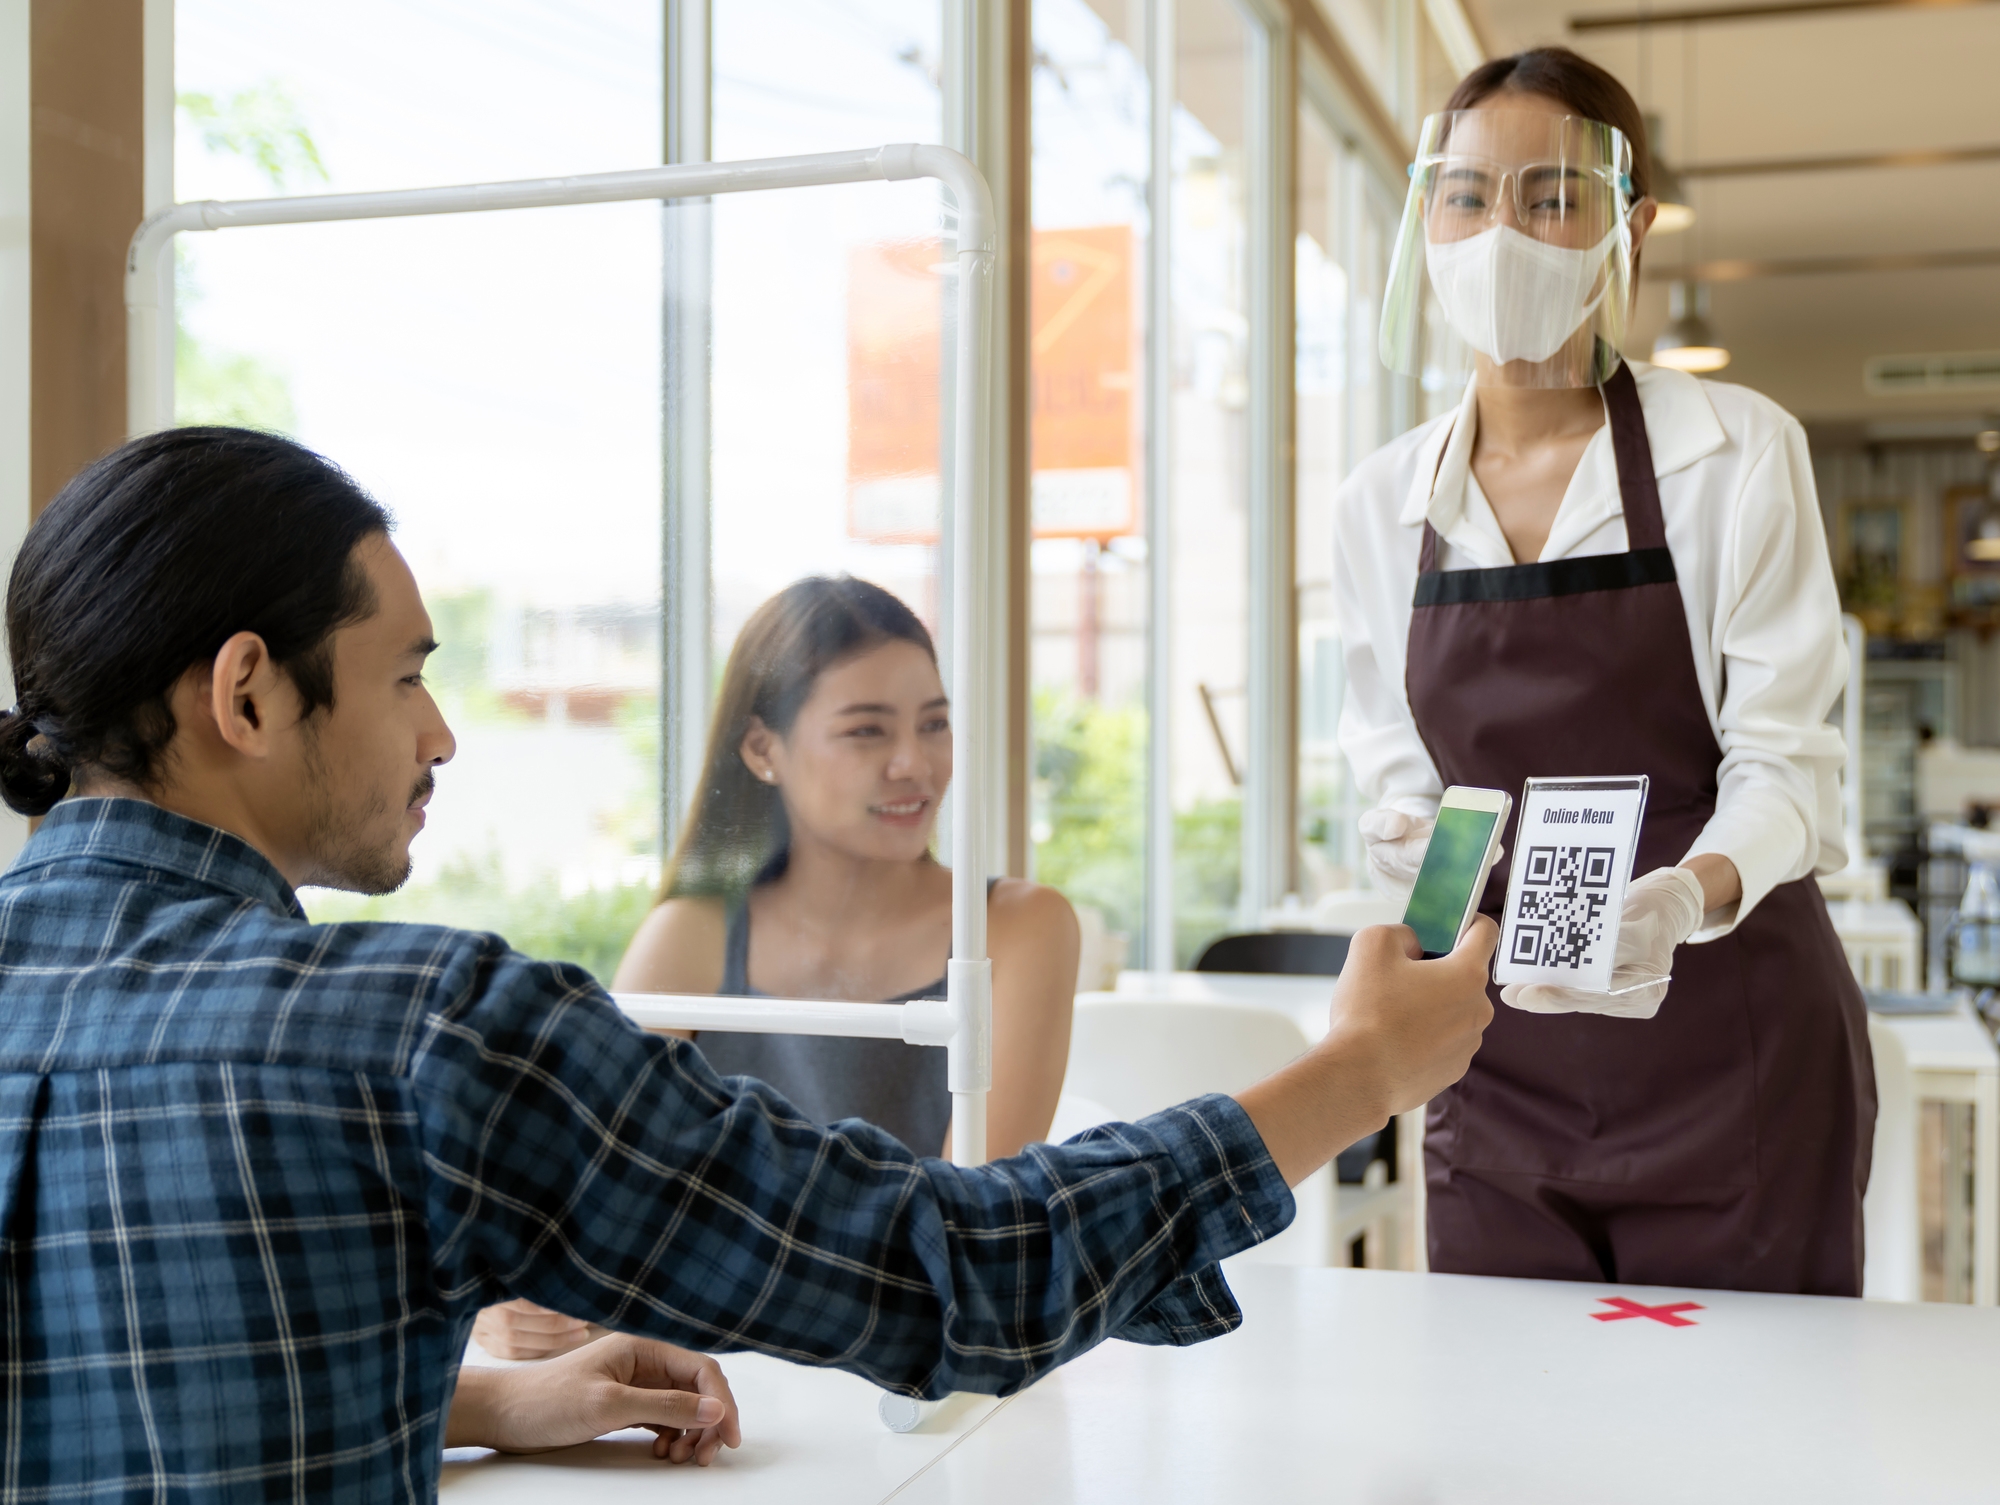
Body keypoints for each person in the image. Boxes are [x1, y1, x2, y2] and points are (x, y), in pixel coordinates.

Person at [0, 427, 1495, 1498]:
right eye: (407, 675)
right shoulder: (421, 1031)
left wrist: (476, 1404)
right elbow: (962, 1271)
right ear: (248, 695)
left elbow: (119, 1392)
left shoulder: (1007, 925)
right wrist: (1359, 1068)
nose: (444, 734)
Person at [1333, 47, 1873, 1295]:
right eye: (1465, 195)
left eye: (1550, 195)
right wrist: (1414, 841)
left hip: (1730, 1045)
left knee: (1739, 1454)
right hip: (1488, 1047)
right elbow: (1397, 765)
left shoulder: (1732, 451)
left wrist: (1679, 897)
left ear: (1627, 224)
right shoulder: (1378, 502)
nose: (1500, 231)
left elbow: (1784, 761)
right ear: (1426, 216)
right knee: (1507, 1444)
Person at [480, 576, 1079, 1362]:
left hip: (922, 1398)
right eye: (867, 731)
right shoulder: (690, 936)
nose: (915, 763)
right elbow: (577, 1200)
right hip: (716, 1407)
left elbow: (961, 1238)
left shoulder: (1021, 928)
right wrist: (508, 1296)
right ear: (764, 749)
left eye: (935, 724)